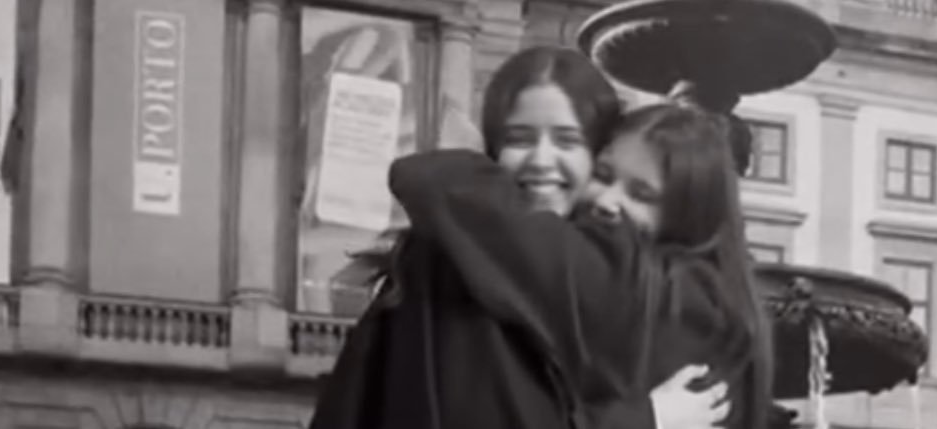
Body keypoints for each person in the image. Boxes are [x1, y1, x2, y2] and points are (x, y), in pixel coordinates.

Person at [308, 46, 732, 429]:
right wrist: (647, 420)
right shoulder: (465, 266)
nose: (542, 160)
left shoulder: (582, 272)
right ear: (493, 151)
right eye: (519, 139)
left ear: (596, 155)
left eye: (567, 140)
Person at [385, 102, 774, 429]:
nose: (607, 201)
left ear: (688, 217)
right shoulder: (720, 304)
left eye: (642, 194)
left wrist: (467, 154)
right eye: (602, 175)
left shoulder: (649, 291)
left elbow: (430, 180)